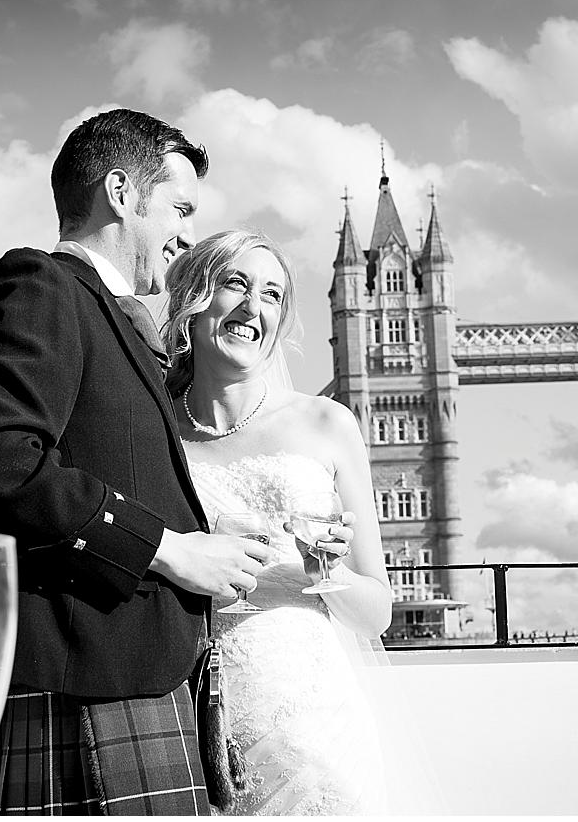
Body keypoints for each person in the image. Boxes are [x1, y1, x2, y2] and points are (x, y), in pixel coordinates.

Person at [0, 110, 273, 815]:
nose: (187, 233)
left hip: (133, 681)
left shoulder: (114, 315)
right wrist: (168, 549)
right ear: (123, 193)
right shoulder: (38, 285)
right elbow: (3, 465)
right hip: (85, 690)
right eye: (180, 208)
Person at [162, 229, 394, 815]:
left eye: (272, 295)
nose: (253, 307)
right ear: (193, 299)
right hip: (190, 724)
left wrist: (331, 571)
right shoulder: (154, 432)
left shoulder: (327, 423)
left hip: (315, 726)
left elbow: (376, 613)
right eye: (235, 284)